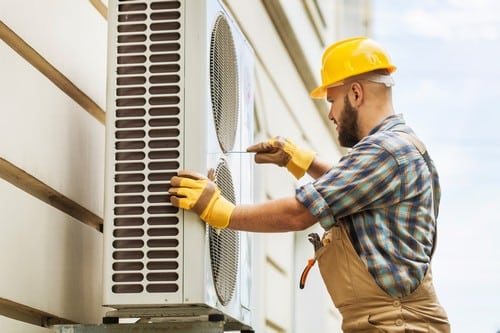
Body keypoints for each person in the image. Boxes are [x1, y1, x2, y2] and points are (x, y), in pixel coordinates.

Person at [168, 37, 450, 332]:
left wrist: (218, 209)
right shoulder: (396, 147)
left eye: (332, 101)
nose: (330, 115)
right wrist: (301, 161)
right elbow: (356, 187)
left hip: (397, 325)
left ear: (355, 93)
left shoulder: (386, 150)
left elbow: (299, 213)